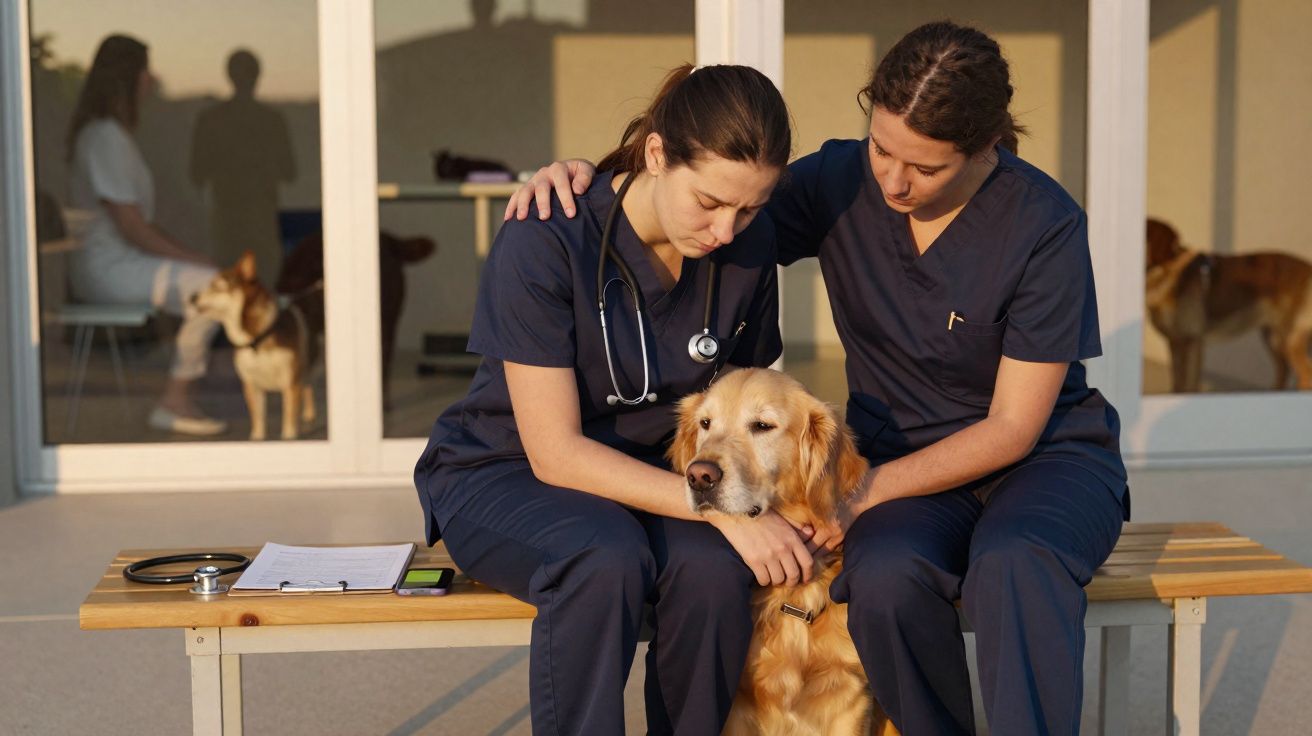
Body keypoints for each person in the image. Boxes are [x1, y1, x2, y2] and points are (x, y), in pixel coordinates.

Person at [505, 21, 1129, 736]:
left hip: (1040, 461)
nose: (894, 180)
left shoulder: (1043, 224)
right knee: (887, 577)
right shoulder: (840, 182)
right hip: (904, 463)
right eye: (883, 148)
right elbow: (702, 187)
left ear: (987, 147)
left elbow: (1013, 427)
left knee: (1015, 563)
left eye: (924, 169)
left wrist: (858, 492)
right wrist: (584, 178)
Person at [414, 64, 808, 735]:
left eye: (749, 208)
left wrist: (764, 507)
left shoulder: (748, 248)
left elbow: (739, 417)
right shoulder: (545, 237)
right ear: (657, 154)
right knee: (604, 557)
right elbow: (556, 454)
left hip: (657, 478)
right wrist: (724, 512)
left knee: (714, 575)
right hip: (506, 472)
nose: (725, 230)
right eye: (709, 203)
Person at [66, 35, 226, 436]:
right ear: (127, 78)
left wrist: (188, 254)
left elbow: (138, 225)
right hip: (109, 268)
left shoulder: (112, 136)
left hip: (119, 261)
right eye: (145, 70)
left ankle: (177, 390)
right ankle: (175, 399)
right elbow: (132, 228)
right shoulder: (104, 137)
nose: (152, 79)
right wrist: (197, 260)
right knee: (214, 288)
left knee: (208, 281)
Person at [189, 48, 296, 281]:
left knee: (240, 287)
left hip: (240, 218)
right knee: (251, 286)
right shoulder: (270, 121)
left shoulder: (212, 120)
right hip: (246, 217)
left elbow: (196, 173)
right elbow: (289, 171)